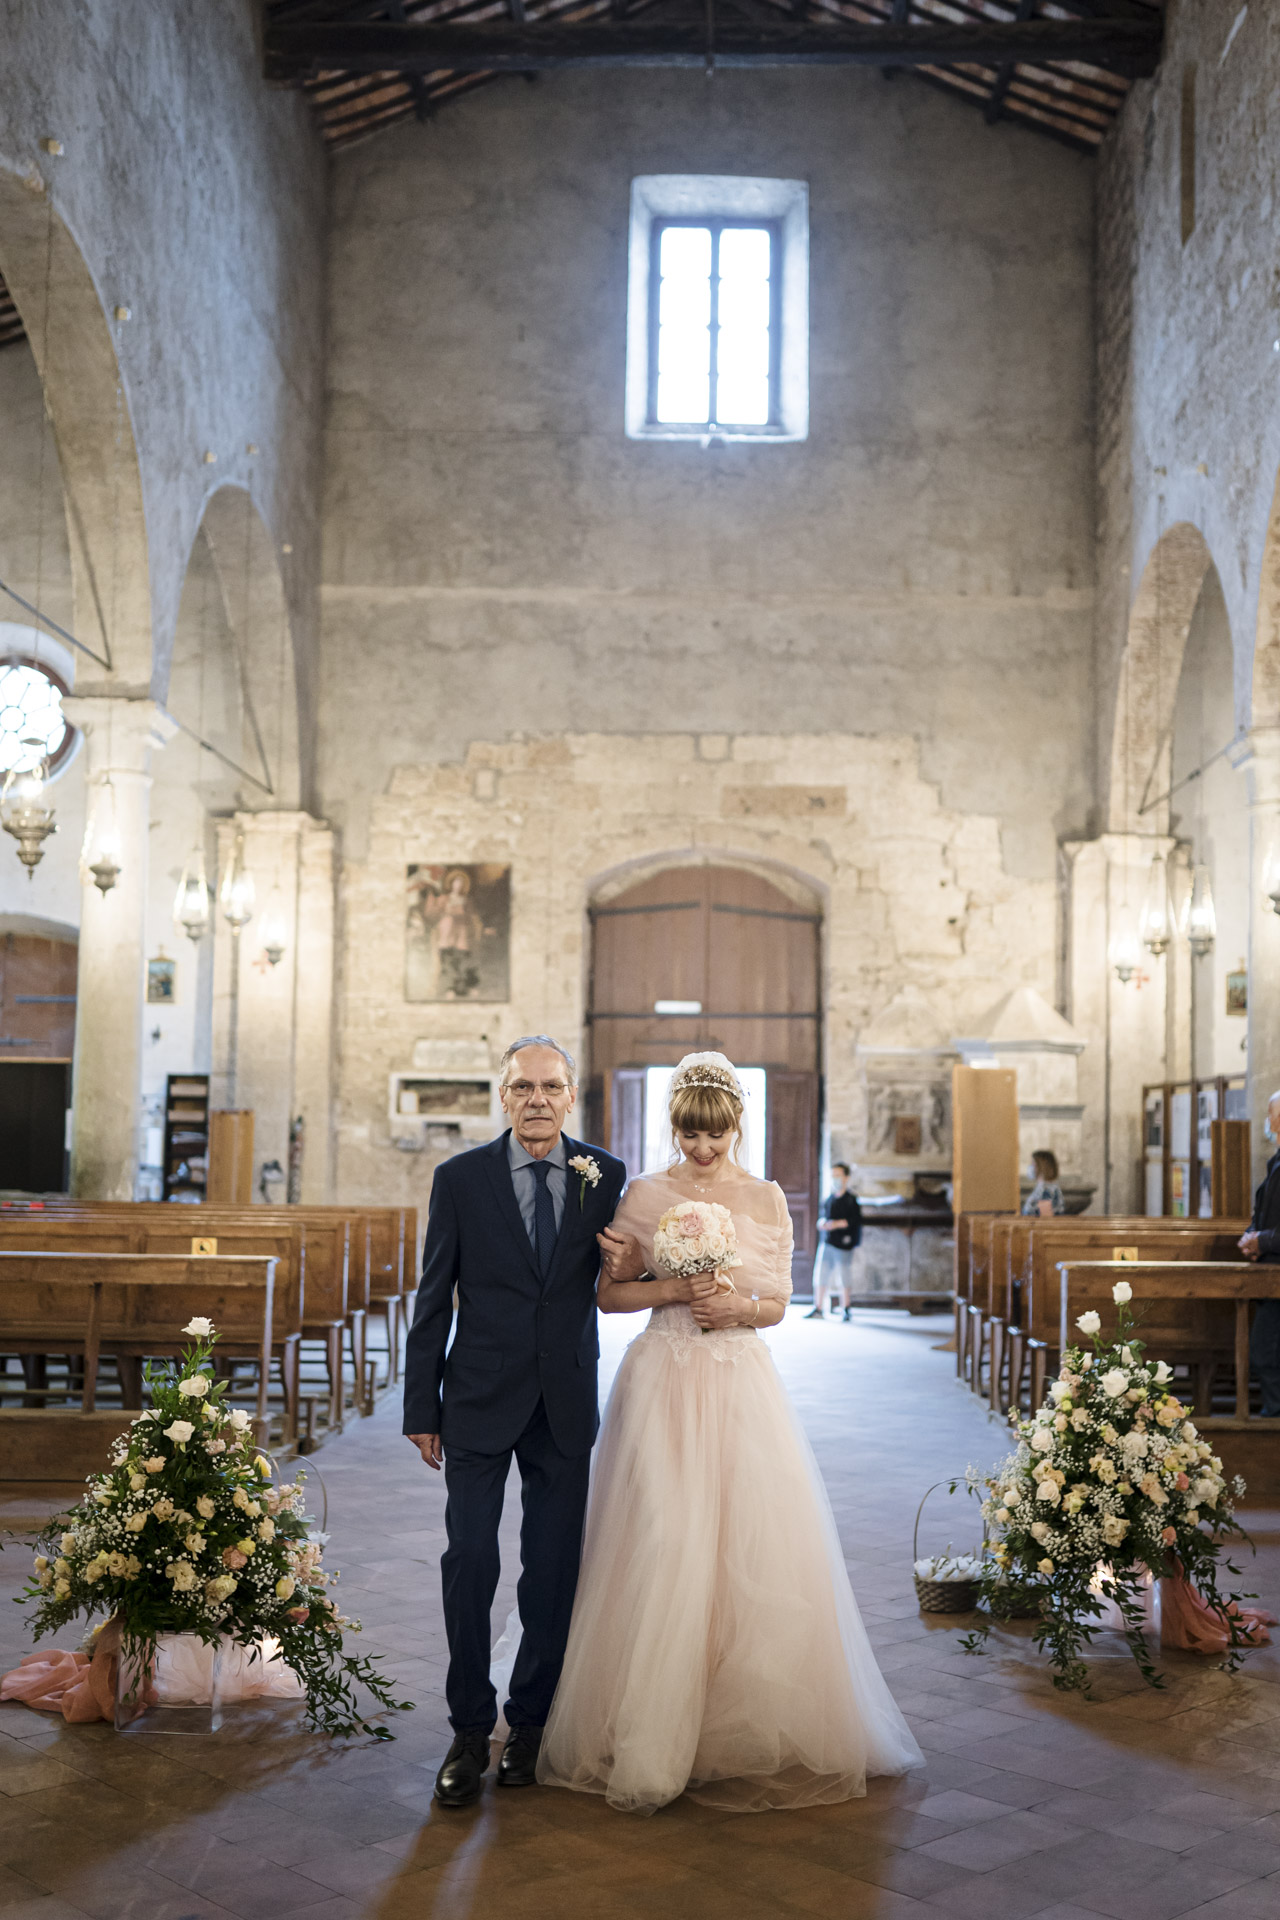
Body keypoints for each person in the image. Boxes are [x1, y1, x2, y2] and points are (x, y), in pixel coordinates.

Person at [537, 1052, 923, 1813]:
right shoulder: (645, 1193)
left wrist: (738, 1309)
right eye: (689, 1133)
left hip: (738, 1379)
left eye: (714, 1134)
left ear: (736, 1125)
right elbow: (611, 1296)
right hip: (662, 1378)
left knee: (743, 1541)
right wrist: (673, 1288)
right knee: (665, 1537)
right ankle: (651, 1720)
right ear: (674, 1125)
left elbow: (778, 1302)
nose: (702, 1148)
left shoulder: (767, 1198)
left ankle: (724, 1713)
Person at [403, 1035, 626, 1806]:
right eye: (523, 1086)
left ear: (570, 1096)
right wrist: (421, 1405)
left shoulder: (605, 1175)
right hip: (476, 1395)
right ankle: (469, 1729)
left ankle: (530, 1723)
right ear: (503, 1096)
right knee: (470, 1559)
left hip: (563, 1397)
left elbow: (617, 1276)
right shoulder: (460, 1179)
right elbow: (433, 1295)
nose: (537, 1099)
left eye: (551, 1086)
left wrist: (635, 1265)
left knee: (552, 1567)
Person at [1239, 1089, 1280, 1418]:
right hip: (1270, 1273)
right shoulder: (1276, 1161)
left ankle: (1274, 1418)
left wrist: (1262, 1241)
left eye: (1271, 1114)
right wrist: (1251, 1236)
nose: (1268, 1120)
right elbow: (1264, 1211)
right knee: (1265, 1351)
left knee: (1265, 1352)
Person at [806, 1161, 862, 1319]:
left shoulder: (851, 1200)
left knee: (843, 1276)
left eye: (838, 1175)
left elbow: (853, 1221)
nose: (835, 1178)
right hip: (827, 1243)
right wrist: (823, 1223)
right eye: (833, 1176)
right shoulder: (830, 1199)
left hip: (843, 1245)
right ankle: (818, 1307)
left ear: (846, 1178)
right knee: (821, 1274)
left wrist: (836, 1224)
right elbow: (824, 1217)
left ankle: (846, 1308)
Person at [1021, 1149, 1065, 1217]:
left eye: (1033, 1164)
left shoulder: (1046, 1190)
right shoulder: (1045, 1187)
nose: (1030, 1167)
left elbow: (1046, 1219)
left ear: (1041, 1167)